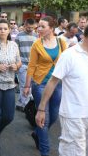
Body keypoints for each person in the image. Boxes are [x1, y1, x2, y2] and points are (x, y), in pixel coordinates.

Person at [36, 18, 88, 156]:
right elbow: (53, 82)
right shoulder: (70, 55)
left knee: (87, 153)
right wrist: (41, 109)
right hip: (73, 115)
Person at [23, 16, 67, 156]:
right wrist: (27, 85)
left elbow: (66, 62)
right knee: (43, 119)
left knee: (53, 116)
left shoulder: (61, 42)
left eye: (42, 26)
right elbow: (31, 66)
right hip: (40, 84)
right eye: (39, 26)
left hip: (57, 84)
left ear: (51, 28)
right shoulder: (37, 44)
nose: (39, 29)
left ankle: (37, 133)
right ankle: (45, 151)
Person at [0, 19, 22, 156]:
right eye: (0, 28)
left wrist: (16, 66)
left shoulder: (14, 45)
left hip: (9, 84)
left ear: (9, 30)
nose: (2, 31)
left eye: (5, 28)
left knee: (8, 116)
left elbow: (19, 61)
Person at [15, 18, 38, 111]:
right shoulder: (18, 36)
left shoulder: (36, 36)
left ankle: (20, 102)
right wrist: (18, 63)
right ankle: (26, 105)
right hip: (23, 64)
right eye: (28, 27)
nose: (30, 29)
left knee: (30, 85)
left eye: (32, 28)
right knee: (24, 85)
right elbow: (16, 51)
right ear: (25, 25)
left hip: (33, 65)